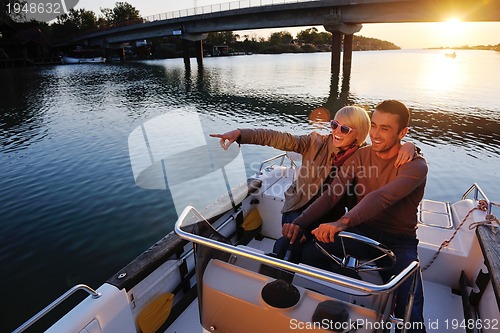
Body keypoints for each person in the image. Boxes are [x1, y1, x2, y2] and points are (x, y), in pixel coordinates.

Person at [287, 100, 427, 333]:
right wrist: (299, 223)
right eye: (374, 126)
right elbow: (332, 195)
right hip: (362, 230)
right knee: (308, 252)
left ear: (403, 133)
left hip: (398, 241)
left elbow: (382, 197)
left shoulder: (415, 165)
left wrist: (342, 222)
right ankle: (340, 301)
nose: (376, 134)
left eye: (385, 128)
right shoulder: (361, 156)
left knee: (410, 307)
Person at [210, 106, 416, 262]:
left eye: (345, 129)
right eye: (334, 124)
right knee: (290, 242)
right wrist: (240, 134)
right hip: (299, 207)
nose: (337, 131)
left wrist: (411, 146)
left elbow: (390, 152)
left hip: (332, 215)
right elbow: (276, 137)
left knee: (313, 249)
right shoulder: (314, 142)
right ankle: (280, 281)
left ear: (360, 134)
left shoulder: (364, 155)